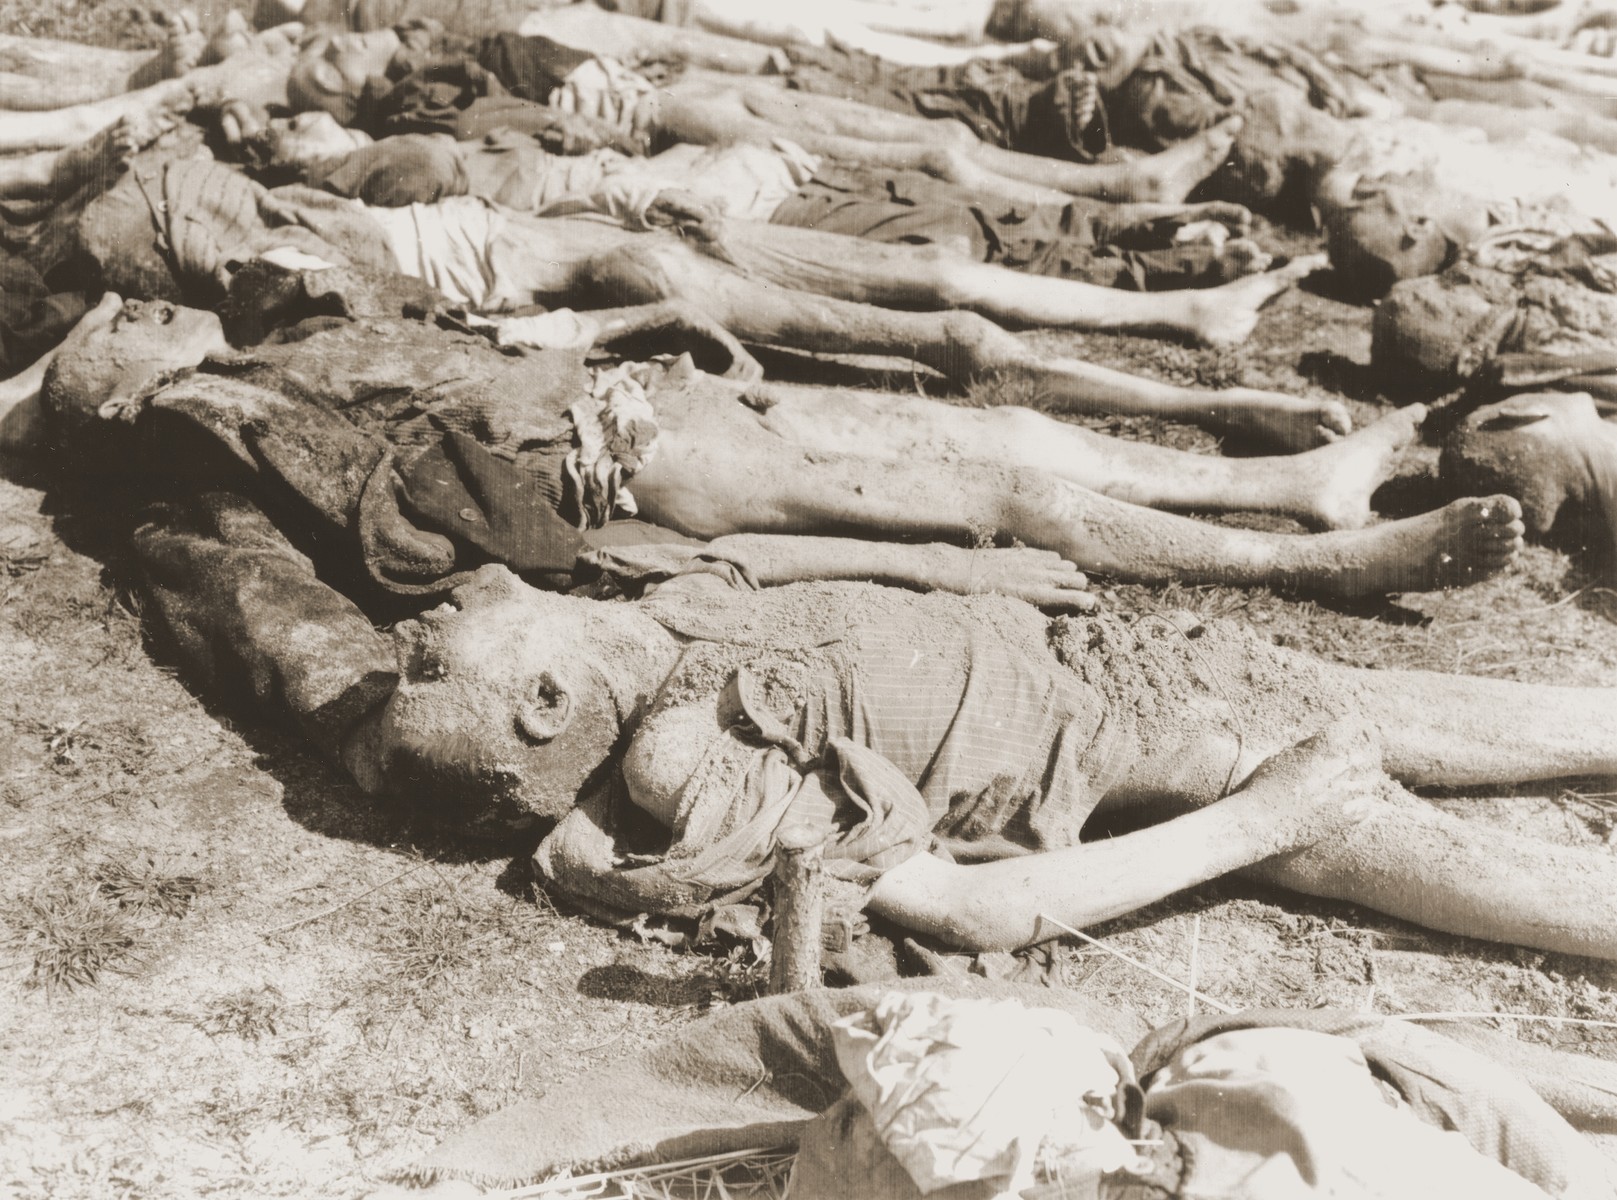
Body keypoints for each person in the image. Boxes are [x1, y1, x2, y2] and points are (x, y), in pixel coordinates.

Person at [256, 111, 1270, 290]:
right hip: (703, 203)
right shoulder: (408, 170)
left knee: (926, 192)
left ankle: (1136, 222)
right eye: (300, 141)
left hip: (712, 177)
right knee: (947, 228)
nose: (309, 133)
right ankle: (1151, 245)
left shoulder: (432, 147)